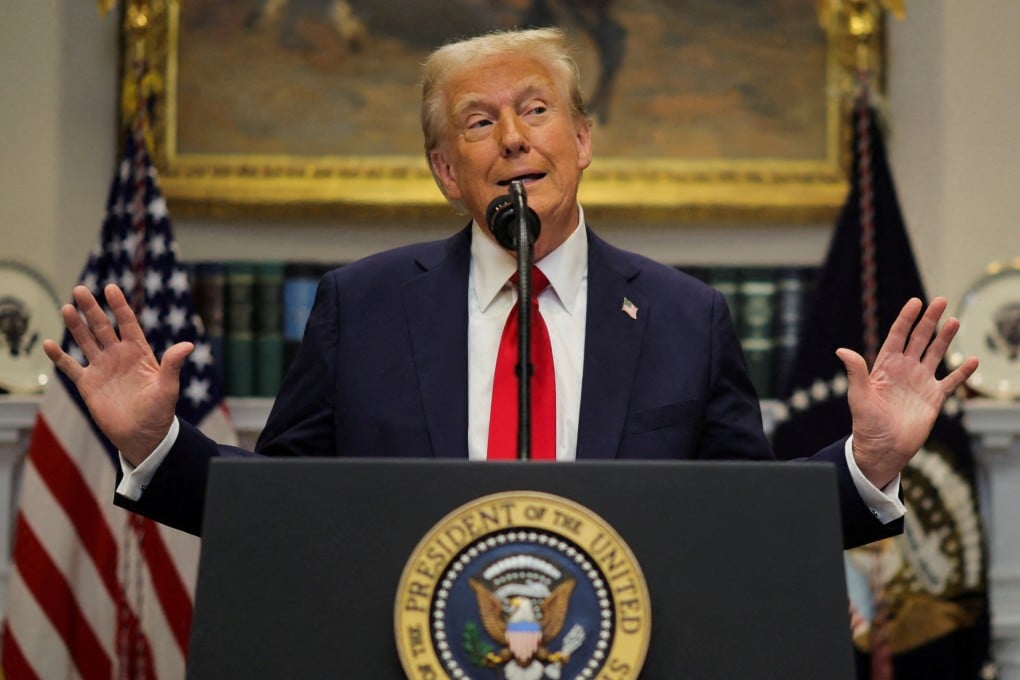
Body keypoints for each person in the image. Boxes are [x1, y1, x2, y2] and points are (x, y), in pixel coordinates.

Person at [45, 28, 976, 547]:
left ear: (582, 140)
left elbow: (745, 521)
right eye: (478, 123)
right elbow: (285, 512)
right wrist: (155, 445)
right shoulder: (362, 308)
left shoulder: (686, 318)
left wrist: (871, 463)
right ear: (448, 171)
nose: (514, 139)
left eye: (536, 111)